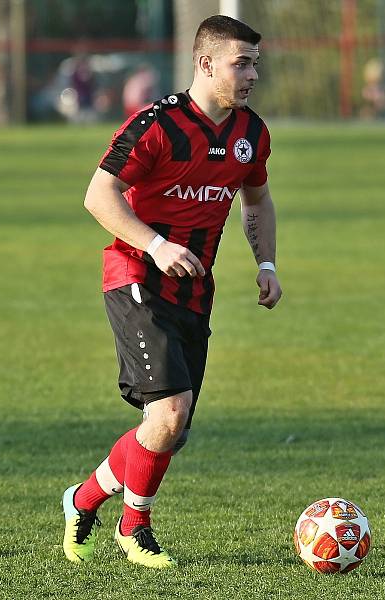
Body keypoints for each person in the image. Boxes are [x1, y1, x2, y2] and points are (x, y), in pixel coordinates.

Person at [62, 15, 282, 569]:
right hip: (135, 274)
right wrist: (156, 244)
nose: (253, 74)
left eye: (255, 63)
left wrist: (267, 263)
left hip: (194, 288)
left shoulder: (250, 134)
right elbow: (98, 195)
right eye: (242, 63)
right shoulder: (156, 124)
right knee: (170, 412)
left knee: (168, 430)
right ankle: (135, 527)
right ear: (206, 65)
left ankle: (82, 499)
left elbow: (256, 200)